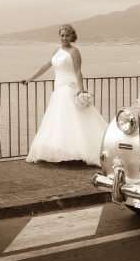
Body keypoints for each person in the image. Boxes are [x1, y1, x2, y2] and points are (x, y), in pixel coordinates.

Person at [21, 24, 106, 166]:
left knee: (74, 120)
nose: (64, 38)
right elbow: (46, 66)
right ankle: (63, 152)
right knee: (59, 121)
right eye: (61, 35)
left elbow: (78, 71)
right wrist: (30, 79)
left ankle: (81, 151)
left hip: (69, 88)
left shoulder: (74, 52)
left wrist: (81, 90)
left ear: (72, 36)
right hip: (58, 89)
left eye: (67, 35)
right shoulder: (57, 50)